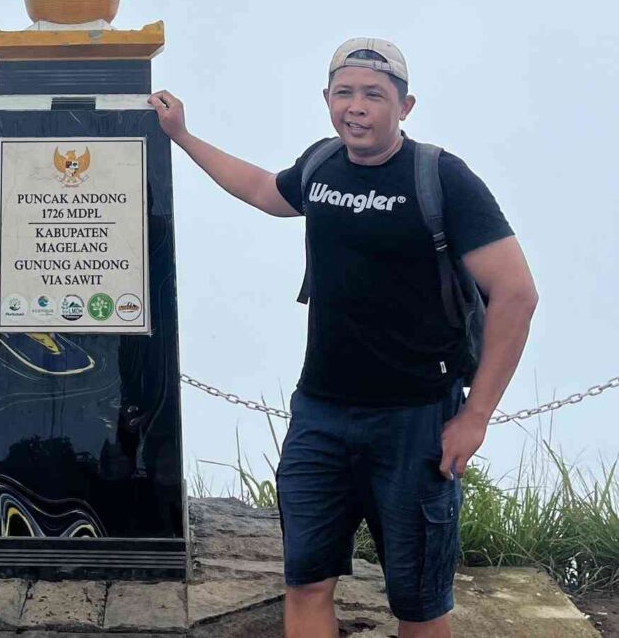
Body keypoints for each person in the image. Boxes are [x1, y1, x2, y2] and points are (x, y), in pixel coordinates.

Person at [148, 37, 538, 638]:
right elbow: (260, 189)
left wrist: (476, 417)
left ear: (404, 107)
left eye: (374, 95)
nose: (356, 107)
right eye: (344, 92)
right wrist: (182, 136)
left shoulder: (442, 178)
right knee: (305, 581)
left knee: (418, 602)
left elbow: (516, 292)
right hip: (320, 415)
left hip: (415, 421)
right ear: (327, 99)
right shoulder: (322, 162)